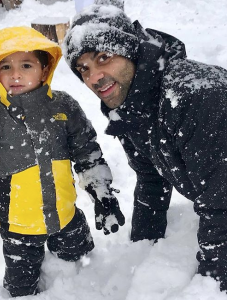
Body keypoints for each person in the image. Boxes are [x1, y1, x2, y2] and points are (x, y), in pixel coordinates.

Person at [0, 26, 125, 297]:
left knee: (82, 267)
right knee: (20, 289)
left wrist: (102, 193)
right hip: (18, 226)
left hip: (66, 216)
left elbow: (87, 151)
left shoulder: (63, 107)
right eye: (5, 66)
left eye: (26, 65)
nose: (15, 74)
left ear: (45, 70)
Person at [63, 0, 227, 293]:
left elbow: (223, 201)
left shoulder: (195, 95)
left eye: (104, 57)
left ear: (130, 51)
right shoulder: (131, 106)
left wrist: (212, 286)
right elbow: (152, 178)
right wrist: (141, 250)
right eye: (83, 68)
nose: (94, 77)